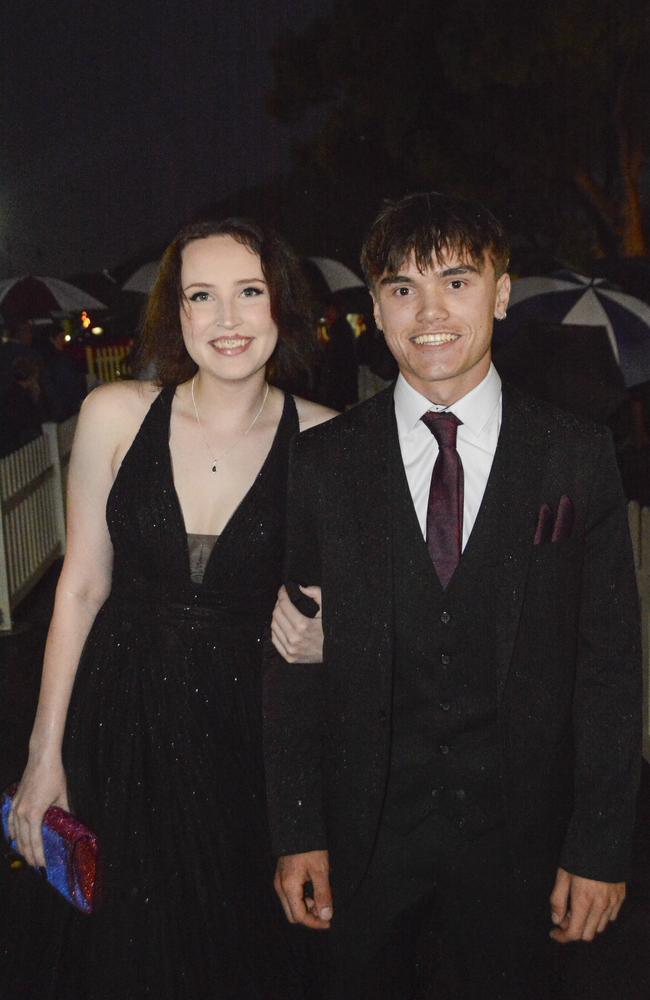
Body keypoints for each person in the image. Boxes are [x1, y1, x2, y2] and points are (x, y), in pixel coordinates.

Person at [264, 192, 642, 1000]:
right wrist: (297, 829)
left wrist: (601, 844)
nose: (429, 312)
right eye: (403, 288)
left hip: (521, 838)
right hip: (365, 834)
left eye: (457, 282)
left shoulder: (574, 457)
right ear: (376, 308)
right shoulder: (324, 464)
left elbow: (610, 667)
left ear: (500, 294)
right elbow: (293, 656)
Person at [6, 217, 334, 1000]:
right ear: (177, 316)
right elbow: (81, 588)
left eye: (248, 292)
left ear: (280, 306)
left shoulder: (328, 440)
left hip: (248, 740)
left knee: (240, 949)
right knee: (123, 950)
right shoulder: (116, 415)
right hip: (121, 728)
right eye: (202, 296)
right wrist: (42, 753)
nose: (226, 319)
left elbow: (354, 604)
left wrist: (334, 628)